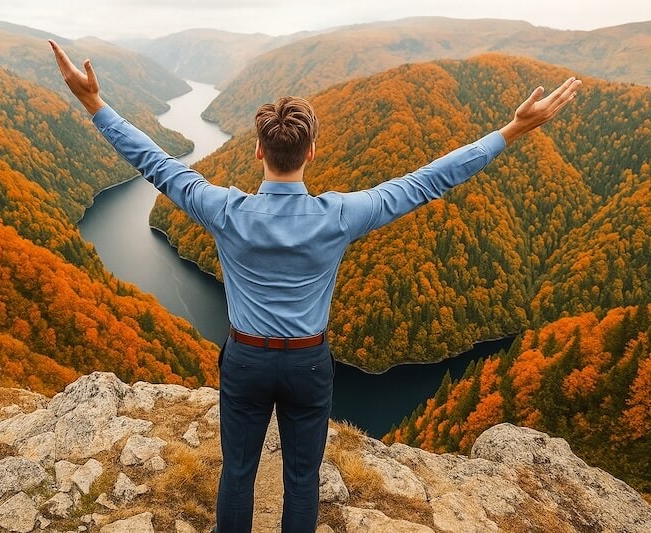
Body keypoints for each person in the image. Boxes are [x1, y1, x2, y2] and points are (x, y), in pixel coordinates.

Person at [49, 39, 581, 532]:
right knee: (302, 478)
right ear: (310, 153)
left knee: (237, 472)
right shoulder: (341, 215)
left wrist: (95, 103)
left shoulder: (224, 210)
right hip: (308, 363)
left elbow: (153, 162)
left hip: (246, 360)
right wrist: (510, 131)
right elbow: (429, 179)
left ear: (258, 152)